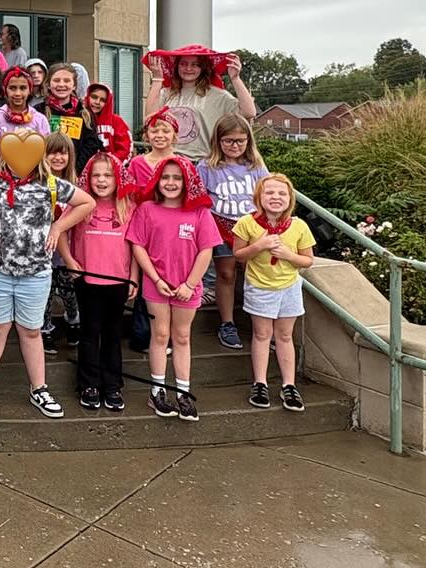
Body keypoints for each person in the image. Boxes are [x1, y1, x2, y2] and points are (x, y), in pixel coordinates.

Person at [0, 144, 95, 417]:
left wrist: (58, 226)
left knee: (31, 330)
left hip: (36, 271)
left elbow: (86, 202)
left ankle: (39, 387)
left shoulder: (50, 184)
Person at [125, 157, 221, 422]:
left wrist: (190, 284)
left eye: (177, 178)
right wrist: (155, 279)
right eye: (165, 177)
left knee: (181, 337)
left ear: (187, 182)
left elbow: (206, 249)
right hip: (157, 286)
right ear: (157, 180)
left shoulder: (200, 212)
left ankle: (182, 392)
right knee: (159, 335)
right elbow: (138, 246)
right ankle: (157, 390)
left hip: (187, 287)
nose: (170, 183)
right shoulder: (147, 210)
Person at [232, 174, 315, 412]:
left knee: (285, 335)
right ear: (259, 196)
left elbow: (307, 260)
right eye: (269, 192)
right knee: (262, 334)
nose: (275, 197)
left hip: (288, 287)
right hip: (260, 286)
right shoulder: (247, 223)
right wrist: (260, 245)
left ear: (290, 198)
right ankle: (260, 382)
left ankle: (289, 384)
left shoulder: (298, 225)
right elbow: (238, 255)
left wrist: (288, 255)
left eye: (281, 193)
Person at [69, 152, 138, 412]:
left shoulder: (128, 206)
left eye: (108, 175)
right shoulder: (80, 204)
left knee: (112, 334)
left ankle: (112, 384)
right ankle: (88, 384)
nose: (101, 180)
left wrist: (134, 277)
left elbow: (135, 245)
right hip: (87, 280)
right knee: (89, 332)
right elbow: (61, 230)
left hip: (118, 280)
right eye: (96, 174)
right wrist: (69, 260)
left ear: (118, 178)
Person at [198, 115, 270, 351]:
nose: (234, 146)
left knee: (255, 274)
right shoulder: (207, 167)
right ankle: (227, 323)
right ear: (218, 141)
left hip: (251, 227)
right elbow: (199, 199)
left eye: (240, 141)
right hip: (221, 224)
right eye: (228, 141)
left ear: (248, 141)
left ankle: (262, 325)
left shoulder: (256, 167)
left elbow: (267, 195)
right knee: (226, 274)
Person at [143, 44, 258, 159]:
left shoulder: (218, 95)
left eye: (195, 64)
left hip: (203, 164)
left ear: (203, 68)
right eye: (183, 64)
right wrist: (157, 79)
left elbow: (249, 112)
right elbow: (150, 118)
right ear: (176, 66)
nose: (188, 68)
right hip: (170, 163)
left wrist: (235, 78)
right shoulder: (166, 94)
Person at [39, 131, 82, 355]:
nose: (57, 158)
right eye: (52, 153)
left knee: (69, 291)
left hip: (68, 253)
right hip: (44, 252)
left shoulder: (75, 185)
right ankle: (45, 329)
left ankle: (73, 319)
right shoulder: (39, 185)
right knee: (45, 293)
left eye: (62, 153)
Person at [37, 62, 104, 168]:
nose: (61, 84)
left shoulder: (85, 113)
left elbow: (91, 144)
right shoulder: (38, 111)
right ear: (49, 85)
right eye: (56, 80)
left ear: (74, 86)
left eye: (67, 81)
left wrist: (74, 170)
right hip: (45, 171)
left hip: (75, 173)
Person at [0, 67, 50, 171]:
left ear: (29, 90)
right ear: (5, 90)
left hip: (31, 179)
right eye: (12, 88)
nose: (18, 93)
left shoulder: (40, 120)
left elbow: (46, 152)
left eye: (23, 88)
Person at [123, 108, 180, 195]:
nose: (160, 135)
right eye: (154, 131)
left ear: (174, 135)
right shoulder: (136, 164)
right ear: (146, 135)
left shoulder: (183, 164)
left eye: (166, 131)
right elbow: (128, 195)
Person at [85, 83, 133, 161]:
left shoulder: (116, 121)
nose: (97, 102)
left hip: (110, 170)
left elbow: (125, 148)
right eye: (94, 97)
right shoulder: (79, 118)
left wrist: (111, 165)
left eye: (103, 100)